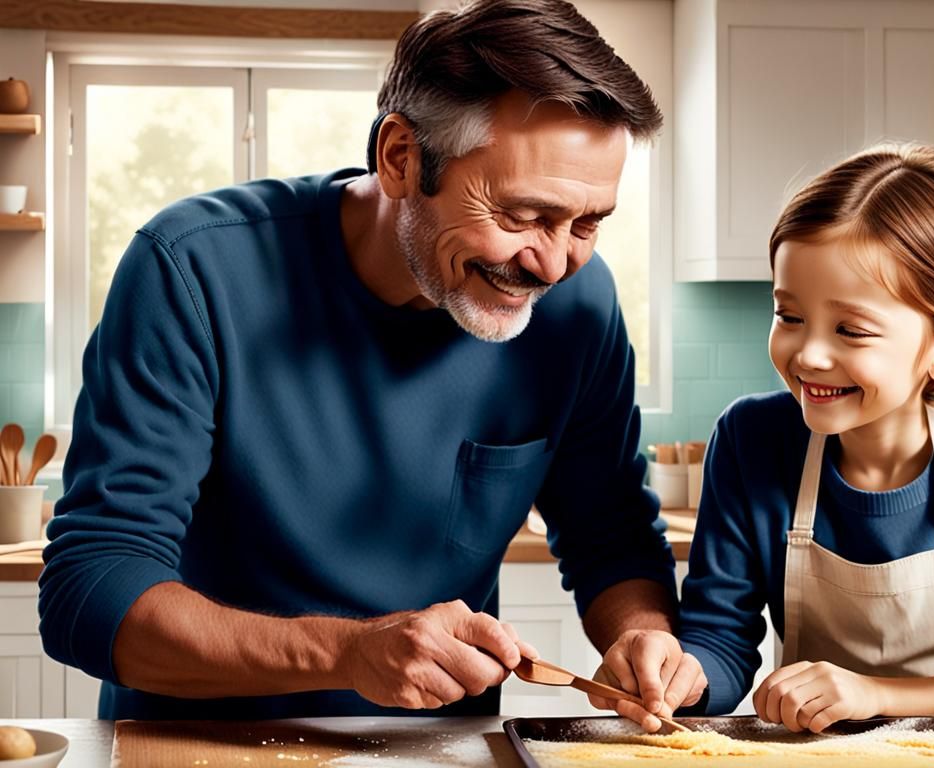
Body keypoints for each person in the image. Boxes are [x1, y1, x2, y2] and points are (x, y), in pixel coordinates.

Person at [39, 0, 681, 726]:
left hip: (439, 752)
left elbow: (613, 538)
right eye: (522, 216)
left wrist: (642, 636)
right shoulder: (190, 269)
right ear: (401, 157)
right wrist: (347, 654)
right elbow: (91, 591)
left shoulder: (578, 307)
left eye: (587, 223)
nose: (554, 264)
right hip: (196, 746)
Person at [591, 143, 934, 731]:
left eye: (851, 330)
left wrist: (879, 694)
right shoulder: (750, 439)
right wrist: (675, 673)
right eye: (789, 316)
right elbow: (721, 646)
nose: (809, 355)